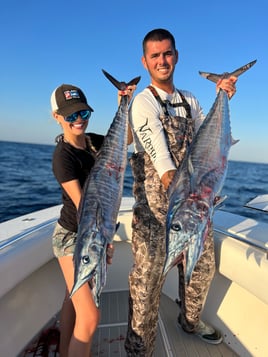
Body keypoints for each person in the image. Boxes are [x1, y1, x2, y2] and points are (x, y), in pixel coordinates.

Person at [124, 28, 237, 356]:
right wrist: (191, 194)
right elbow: (162, 162)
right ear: (145, 62)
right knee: (146, 289)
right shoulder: (143, 103)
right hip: (158, 213)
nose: (163, 60)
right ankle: (139, 350)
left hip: (195, 207)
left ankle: (189, 322)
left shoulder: (191, 100)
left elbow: (209, 140)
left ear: (176, 55)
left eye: (168, 53)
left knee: (202, 271)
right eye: (155, 56)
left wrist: (224, 97)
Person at [51, 82, 135, 356]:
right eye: (71, 115)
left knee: (71, 298)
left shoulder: (95, 141)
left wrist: (125, 103)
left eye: (83, 114)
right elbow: (84, 205)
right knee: (90, 318)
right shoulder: (63, 157)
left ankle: (64, 351)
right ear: (57, 117)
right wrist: (102, 241)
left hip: (92, 230)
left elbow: (128, 140)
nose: (78, 120)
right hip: (73, 236)